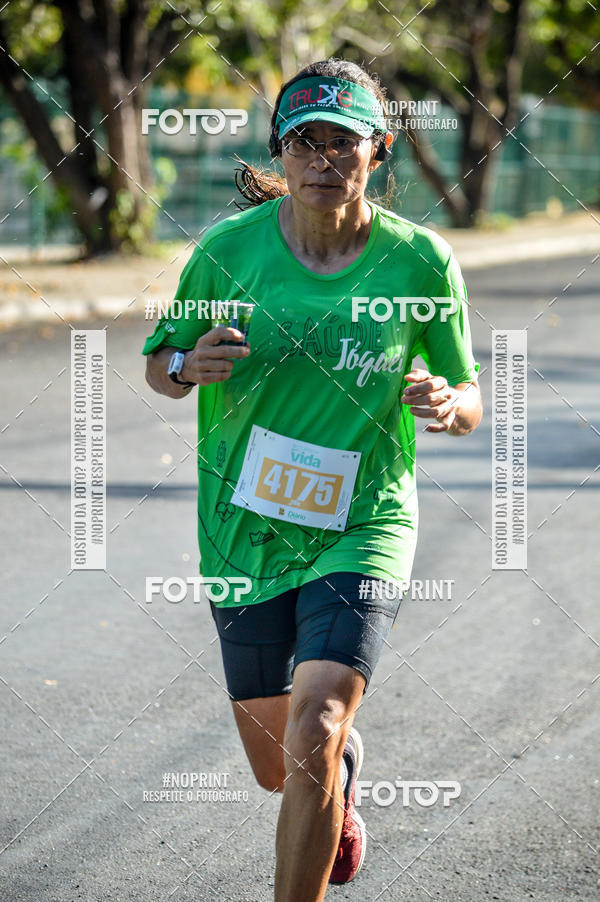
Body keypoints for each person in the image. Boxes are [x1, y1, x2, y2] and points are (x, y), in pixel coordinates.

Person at [143, 57, 482, 902]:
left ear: (379, 151)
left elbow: (469, 392)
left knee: (320, 722)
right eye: (305, 143)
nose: (322, 161)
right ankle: (340, 777)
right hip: (244, 528)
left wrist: (450, 401)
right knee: (280, 765)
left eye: (343, 143)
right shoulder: (225, 254)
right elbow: (158, 363)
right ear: (280, 152)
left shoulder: (420, 264)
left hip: (364, 523)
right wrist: (188, 361)